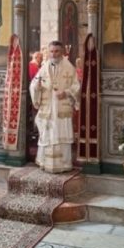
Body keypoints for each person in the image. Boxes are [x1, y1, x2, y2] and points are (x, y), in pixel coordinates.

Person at [30, 40, 80, 173]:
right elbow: (34, 83)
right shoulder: (44, 67)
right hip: (47, 109)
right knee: (47, 135)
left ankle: (63, 164)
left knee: (62, 136)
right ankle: (45, 163)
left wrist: (66, 93)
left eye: (57, 51)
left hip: (62, 109)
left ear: (62, 52)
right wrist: (36, 87)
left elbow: (77, 87)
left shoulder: (69, 67)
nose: (54, 54)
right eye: (51, 51)